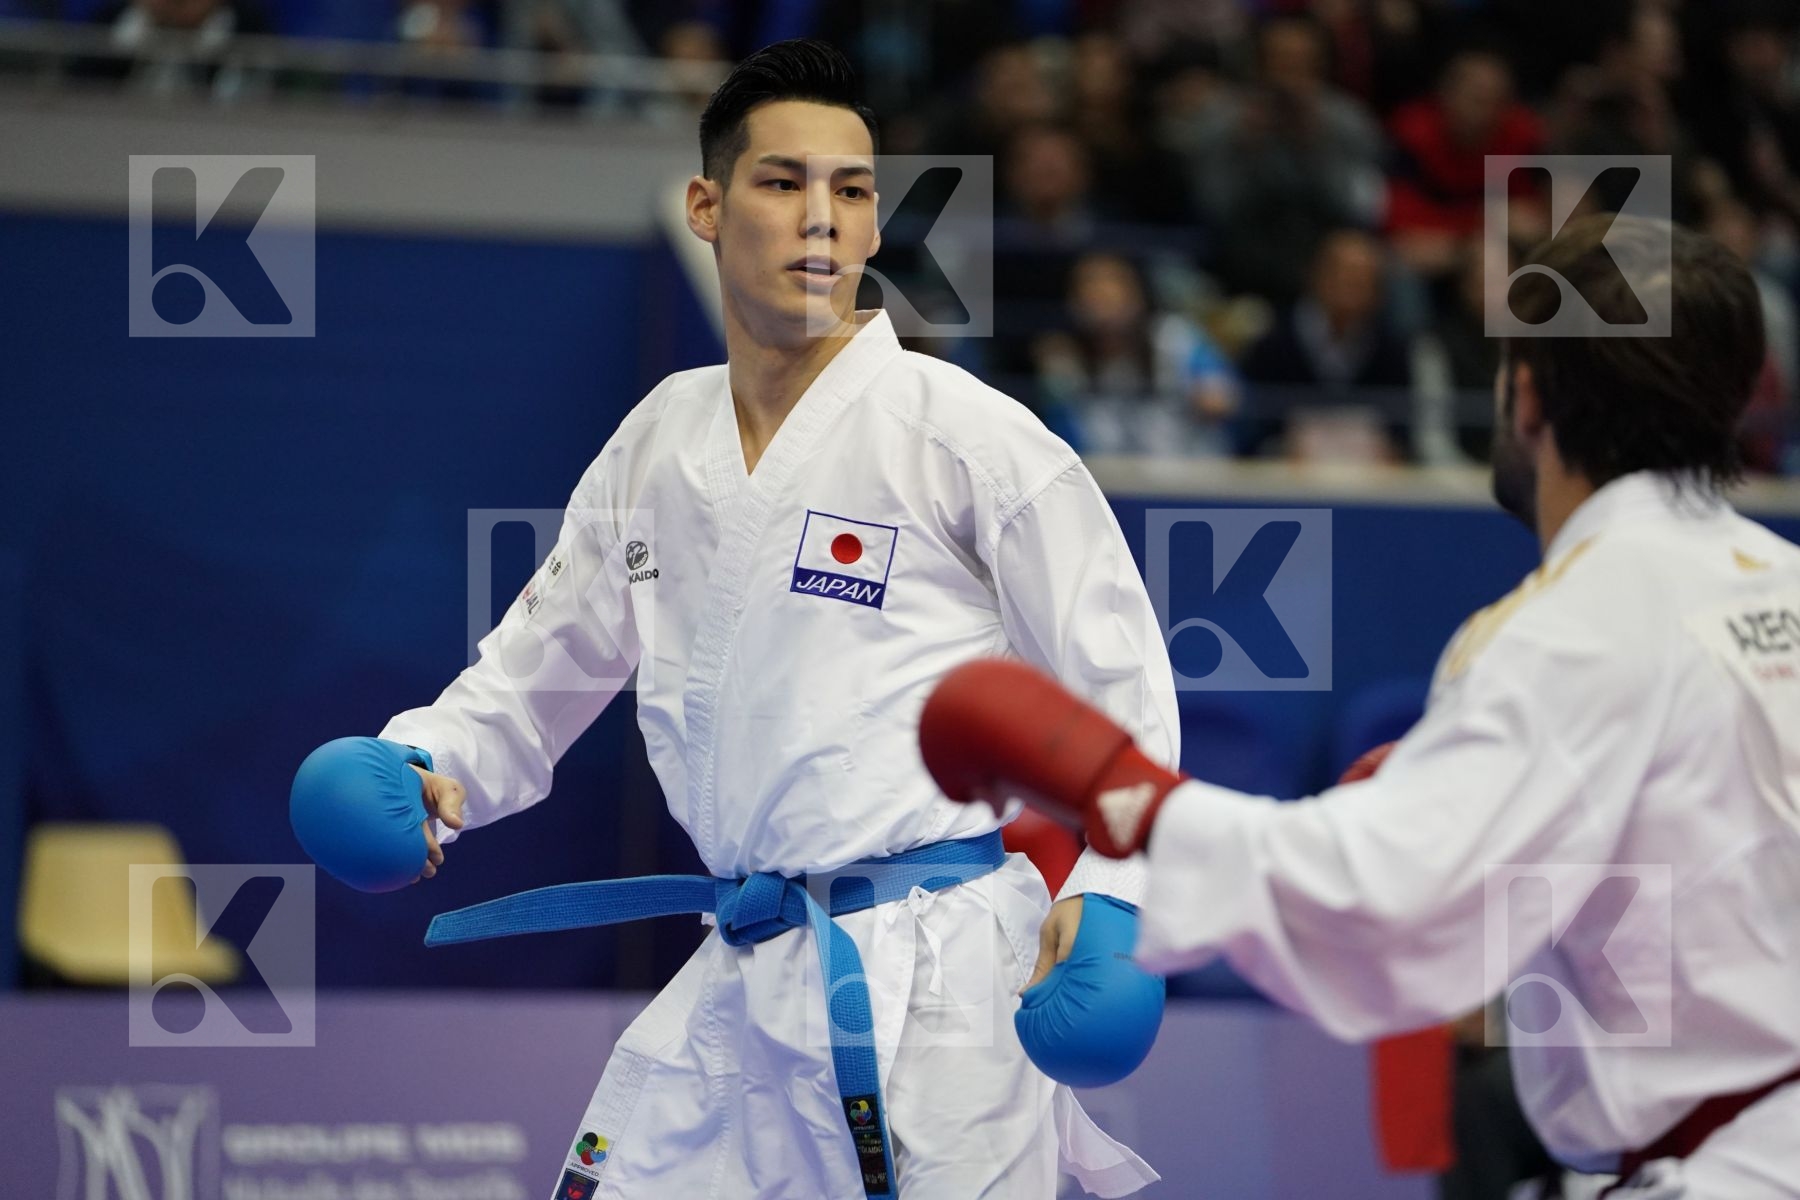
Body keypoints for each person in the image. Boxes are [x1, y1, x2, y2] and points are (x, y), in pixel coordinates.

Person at [340, 38, 1174, 1200]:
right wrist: (431, 758)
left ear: (879, 226)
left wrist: (1114, 892)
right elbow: (538, 667)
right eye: (782, 184)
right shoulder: (656, 440)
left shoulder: (964, 434)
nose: (820, 220)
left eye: (851, 191)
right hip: (743, 963)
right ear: (706, 204)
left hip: (932, 984)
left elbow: (1123, 692)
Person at [918, 216, 1800, 1197]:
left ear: (1531, 397)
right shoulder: (1779, 583)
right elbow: (1695, 897)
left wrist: (1125, 799)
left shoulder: (1576, 628)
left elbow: (1375, 904)